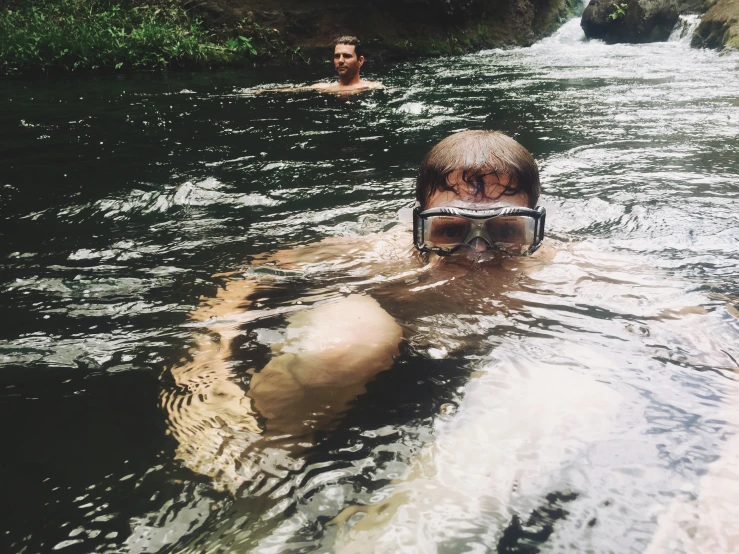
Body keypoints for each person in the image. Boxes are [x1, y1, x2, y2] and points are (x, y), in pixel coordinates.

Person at [255, 36, 382, 95]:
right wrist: (263, 91)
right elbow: (293, 90)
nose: (340, 61)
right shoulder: (323, 87)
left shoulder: (372, 87)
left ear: (360, 61)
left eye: (347, 56)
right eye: (337, 56)